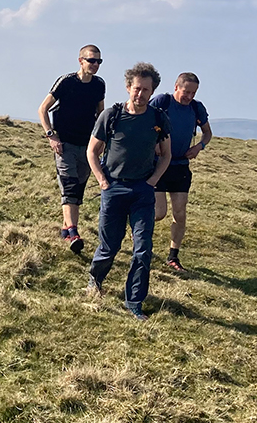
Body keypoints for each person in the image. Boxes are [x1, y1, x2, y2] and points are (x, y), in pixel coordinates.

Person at [86, 62, 172, 320]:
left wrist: (153, 181)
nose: (140, 94)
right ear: (128, 88)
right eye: (137, 88)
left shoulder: (158, 119)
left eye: (146, 89)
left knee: (143, 248)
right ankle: (95, 280)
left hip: (142, 191)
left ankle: (134, 302)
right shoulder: (111, 115)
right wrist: (102, 181)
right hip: (114, 188)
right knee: (109, 246)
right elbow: (92, 151)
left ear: (152, 91)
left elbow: (166, 154)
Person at [37, 46, 106, 253]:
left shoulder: (99, 84)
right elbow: (42, 109)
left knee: (78, 190)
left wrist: (101, 141)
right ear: (80, 60)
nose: (95, 65)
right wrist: (51, 135)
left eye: (99, 61)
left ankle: (65, 229)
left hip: (87, 146)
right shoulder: (66, 82)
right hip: (64, 144)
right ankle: (74, 233)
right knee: (69, 187)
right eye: (91, 60)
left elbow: (101, 115)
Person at [151, 72, 213, 273]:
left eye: (193, 93)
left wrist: (199, 147)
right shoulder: (162, 102)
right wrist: (154, 144)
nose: (189, 97)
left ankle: (173, 256)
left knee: (180, 213)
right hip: (158, 164)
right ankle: (139, 235)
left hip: (180, 166)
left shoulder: (196, 108)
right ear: (176, 87)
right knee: (158, 213)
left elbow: (208, 133)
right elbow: (144, 122)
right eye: (186, 92)